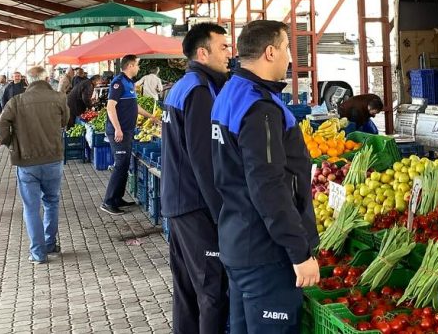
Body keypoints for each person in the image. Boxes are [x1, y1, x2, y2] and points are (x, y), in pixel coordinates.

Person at [212, 20, 319, 333]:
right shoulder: (260, 108)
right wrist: (299, 252)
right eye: (286, 48)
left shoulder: (230, 92)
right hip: (265, 252)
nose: (289, 57)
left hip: (237, 239)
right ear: (270, 52)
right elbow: (269, 186)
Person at [163, 23, 230, 332]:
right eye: (223, 47)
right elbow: (204, 160)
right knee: (211, 291)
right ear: (203, 53)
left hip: (178, 202)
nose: (228, 54)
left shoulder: (182, 86)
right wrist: (221, 214)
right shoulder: (200, 92)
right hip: (195, 205)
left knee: (187, 290)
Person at [0, 66, 70, 265]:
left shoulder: (16, 102)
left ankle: (38, 253)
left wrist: (11, 142)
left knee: (31, 207)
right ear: (46, 79)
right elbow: (65, 121)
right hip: (53, 159)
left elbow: (1, 128)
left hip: (26, 161)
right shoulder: (59, 98)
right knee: (51, 202)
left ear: (27, 81)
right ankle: (50, 244)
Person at [101, 55, 153, 215]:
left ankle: (117, 198)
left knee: (124, 164)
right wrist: (117, 128)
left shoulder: (130, 83)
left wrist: (152, 117)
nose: (138, 68)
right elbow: (110, 107)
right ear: (130, 66)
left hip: (127, 131)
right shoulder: (118, 82)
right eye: (137, 65)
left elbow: (134, 106)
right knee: (120, 164)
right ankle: (108, 202)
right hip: (119, 132)